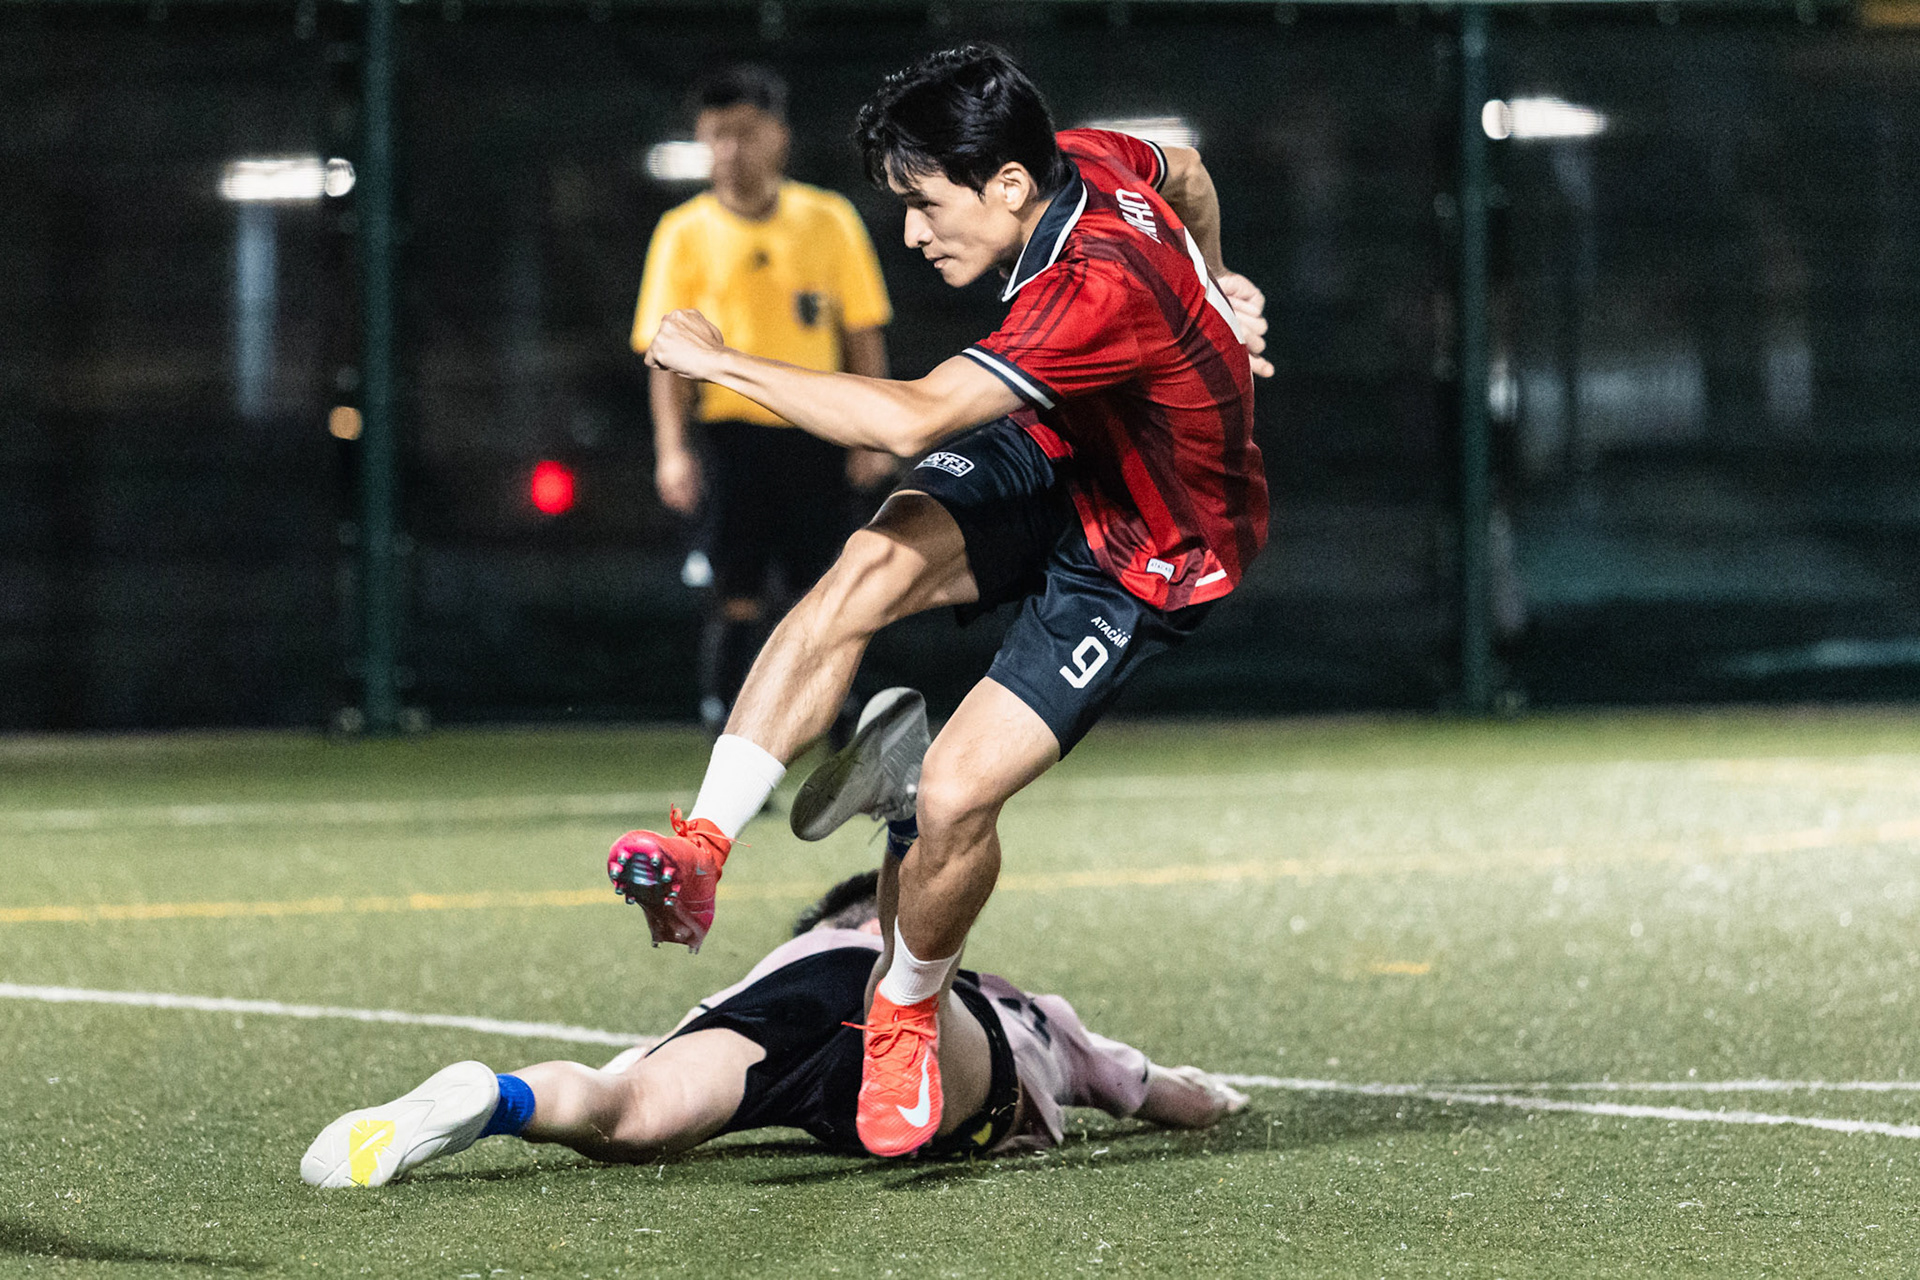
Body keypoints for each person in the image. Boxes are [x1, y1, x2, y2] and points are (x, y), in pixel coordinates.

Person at [609, 43, 1272, 1158]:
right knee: (864, 569)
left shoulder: (1091, 280)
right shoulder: (1086, 157)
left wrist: (719, 362)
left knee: (959, 794)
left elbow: (913, 417)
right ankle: (704, 846)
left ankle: (906, 1008)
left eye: (924, 205)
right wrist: (1222, 282)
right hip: (1068, 453)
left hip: (1149, 549)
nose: (914, 234)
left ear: (1008, 185)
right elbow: (1193, 171)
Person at [299, 871, 1248, 1187]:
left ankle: (496, 1099)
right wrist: (1212, 1097)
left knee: (629, 1111)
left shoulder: (794, 955)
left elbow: (640, 1065)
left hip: (792, 1002)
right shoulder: (1031, 1009)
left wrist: (637, 1068)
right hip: (922, 1019)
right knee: (904, 997)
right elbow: (1165, 1095)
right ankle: (909, 835)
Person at [632, 64, 897, 735]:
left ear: (778, 136)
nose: (730, 149)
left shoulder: (828, 220)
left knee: (833, 587)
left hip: (817, 434)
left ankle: (846, 723)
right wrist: (670, 450)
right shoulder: (682, 232)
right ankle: (730, 725)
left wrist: (872, 432)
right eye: (717, 135)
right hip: (731, 440)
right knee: (735, 591)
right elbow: (664, 357)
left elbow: (861, 335)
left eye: (745, 133)